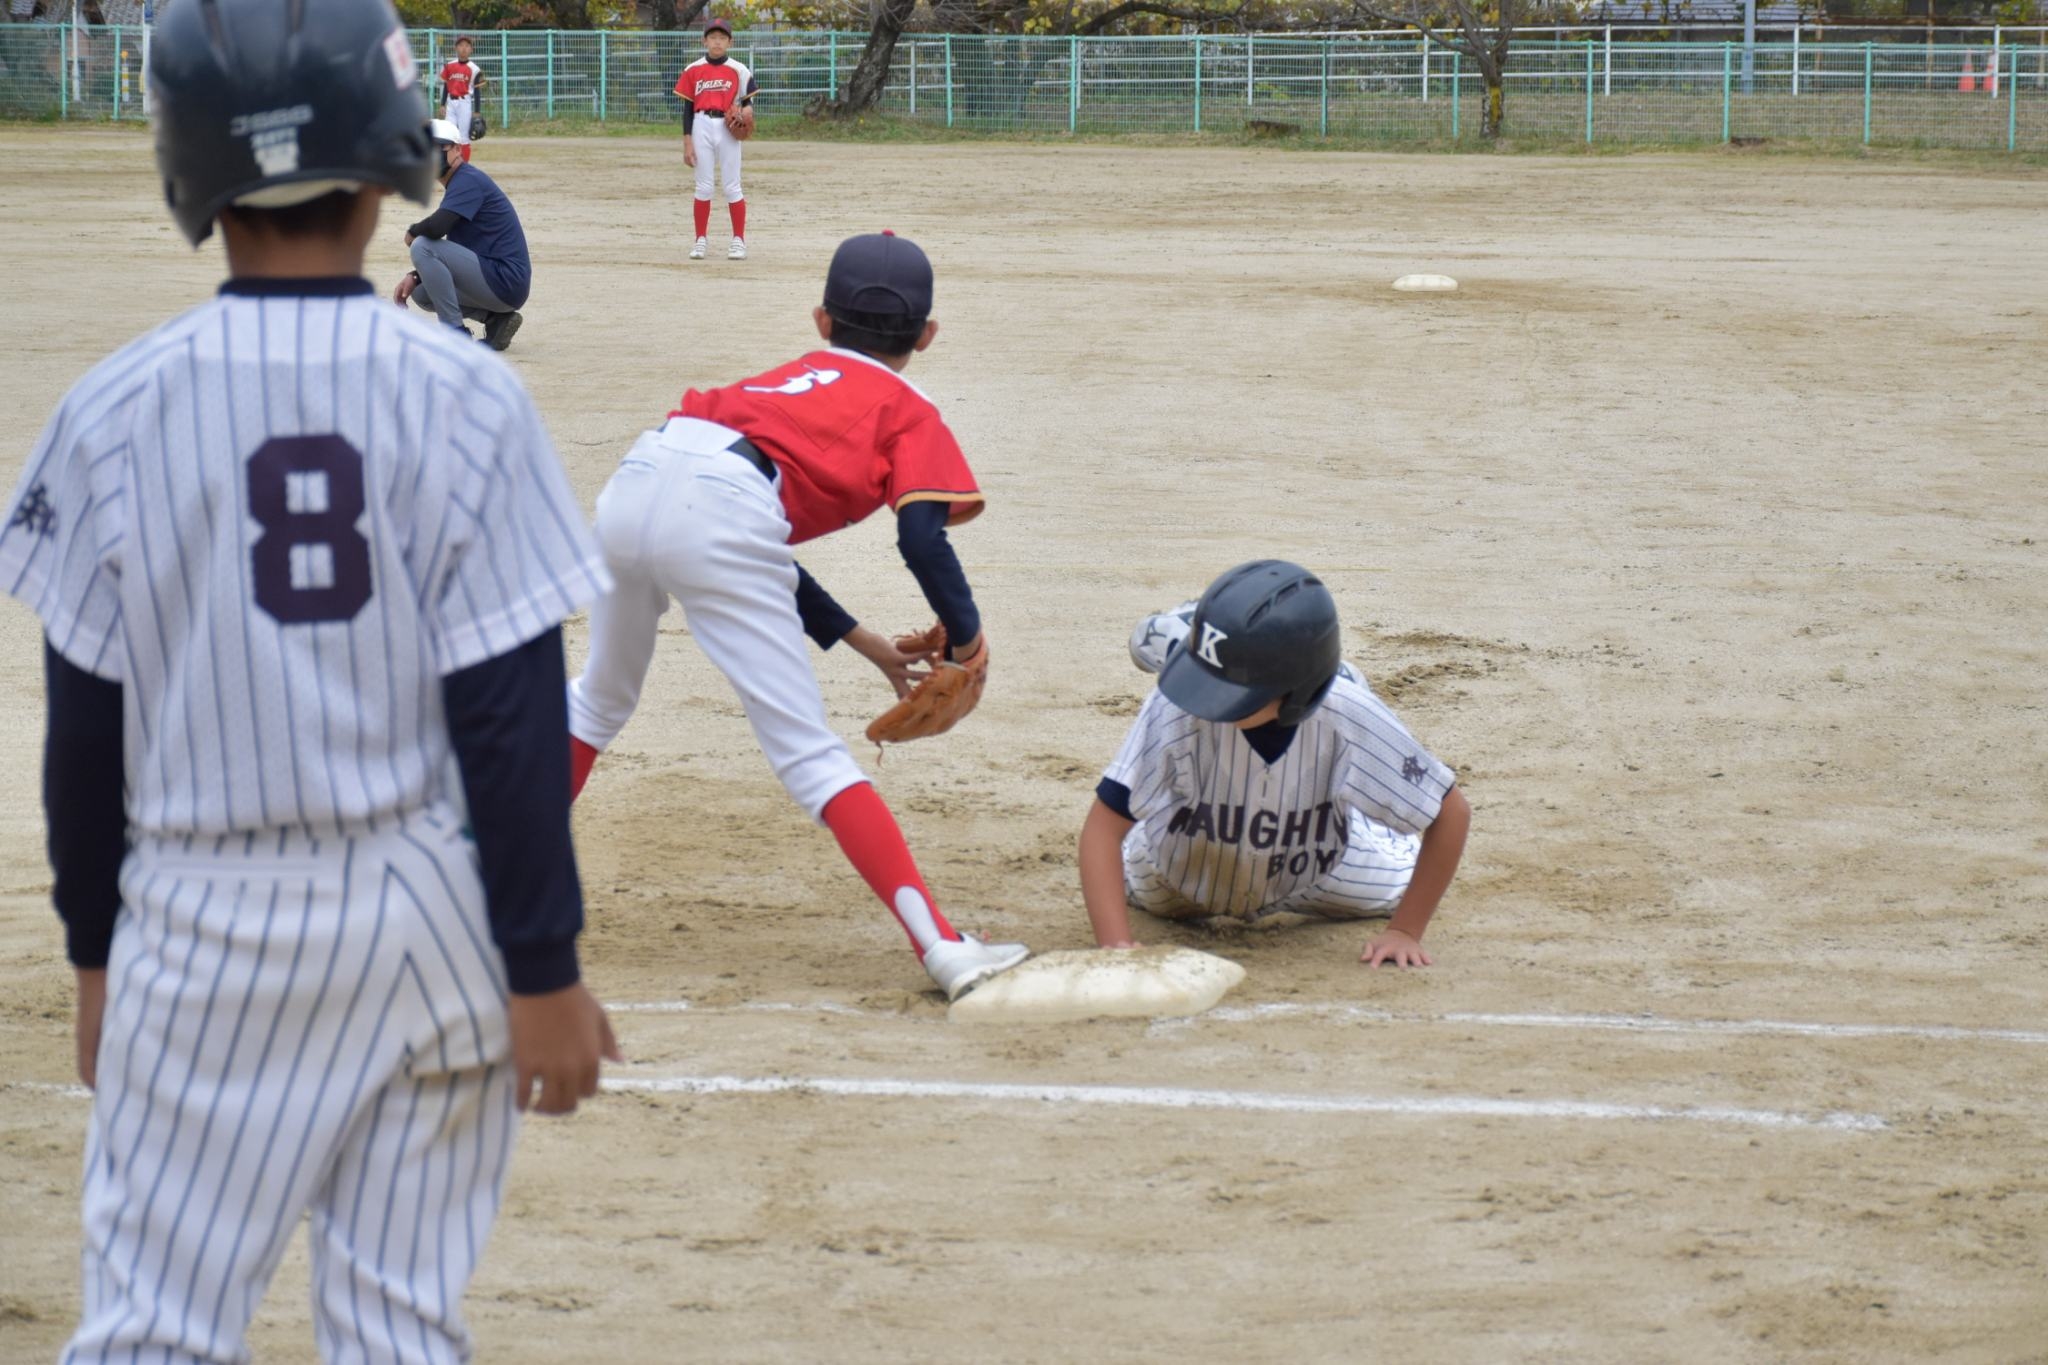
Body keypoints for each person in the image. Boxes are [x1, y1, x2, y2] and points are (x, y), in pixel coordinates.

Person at [1, 1, 618, 1358]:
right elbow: (511, 723)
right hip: (424, 916)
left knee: (153, 1324)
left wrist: (97, 957)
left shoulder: (111, 405)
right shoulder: (469, 399)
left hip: (198, 921)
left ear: (190, 167)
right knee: (399, 1327)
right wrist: (545, 965)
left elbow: (83, 737)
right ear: (393, 153)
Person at [567, 231, 1028, 1000]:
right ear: (927, 336)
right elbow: (921, 537)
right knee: (810, 754)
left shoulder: (781, 381)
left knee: (597, 699)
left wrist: (864, 642)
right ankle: (945, 949)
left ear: (821, 322)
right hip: (721, 505)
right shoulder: (908, 407)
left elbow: (745, 528)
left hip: (642, 473)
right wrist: (970, 639)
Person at [1080, 562, 1471, 966]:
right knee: (1134, 859)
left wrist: (1404, 930)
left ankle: (1326, 675)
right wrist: (1115, 948)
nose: (1204, 704)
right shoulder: (1173, 707)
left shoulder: (1348, 716)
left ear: (1299, 691)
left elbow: (1449, 813)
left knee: (1396, 862)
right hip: (1173, 876)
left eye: (1225, 692)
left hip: (1319, 873)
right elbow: (1103, 830)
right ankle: (1186, 643)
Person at [393, 118, 530, 349]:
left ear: (457, 149)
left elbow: (436, 228)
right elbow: (452, 255)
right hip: (496, 279)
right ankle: (496, 320)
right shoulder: (460, 183)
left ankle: (455, 334)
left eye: (438, 148)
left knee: (421, 245)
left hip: (505, 280)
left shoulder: (468, 179)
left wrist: (412, 232)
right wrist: (415, 276)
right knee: (421, 291)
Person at [674, 16, 757, 261]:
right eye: (713, 37)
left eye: (722, 38)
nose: (717, 42)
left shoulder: (739, 69)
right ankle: (700, 240)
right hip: (701, 124)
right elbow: (688, 109)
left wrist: (747, 111)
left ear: (730, 42)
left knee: (732, 185)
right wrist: (687, 141)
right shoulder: (693, 69)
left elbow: (747, 102)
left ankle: (738, 240)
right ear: (704, 41)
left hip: (728, 125)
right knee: (704, 186)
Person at [439, 33, 485, 162]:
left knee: (464, 137)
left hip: (464, 103)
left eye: (467, 46)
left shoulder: (474, 69)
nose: (464, 48)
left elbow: (477, 91)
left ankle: (464, 165)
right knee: (449, 134)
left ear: (471, 49)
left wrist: (477, 111)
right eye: (460, 45)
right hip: (451, 103)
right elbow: (446, 86)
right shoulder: (449, 66)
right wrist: (442, 104)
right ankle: (450, 164)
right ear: (456, 48)